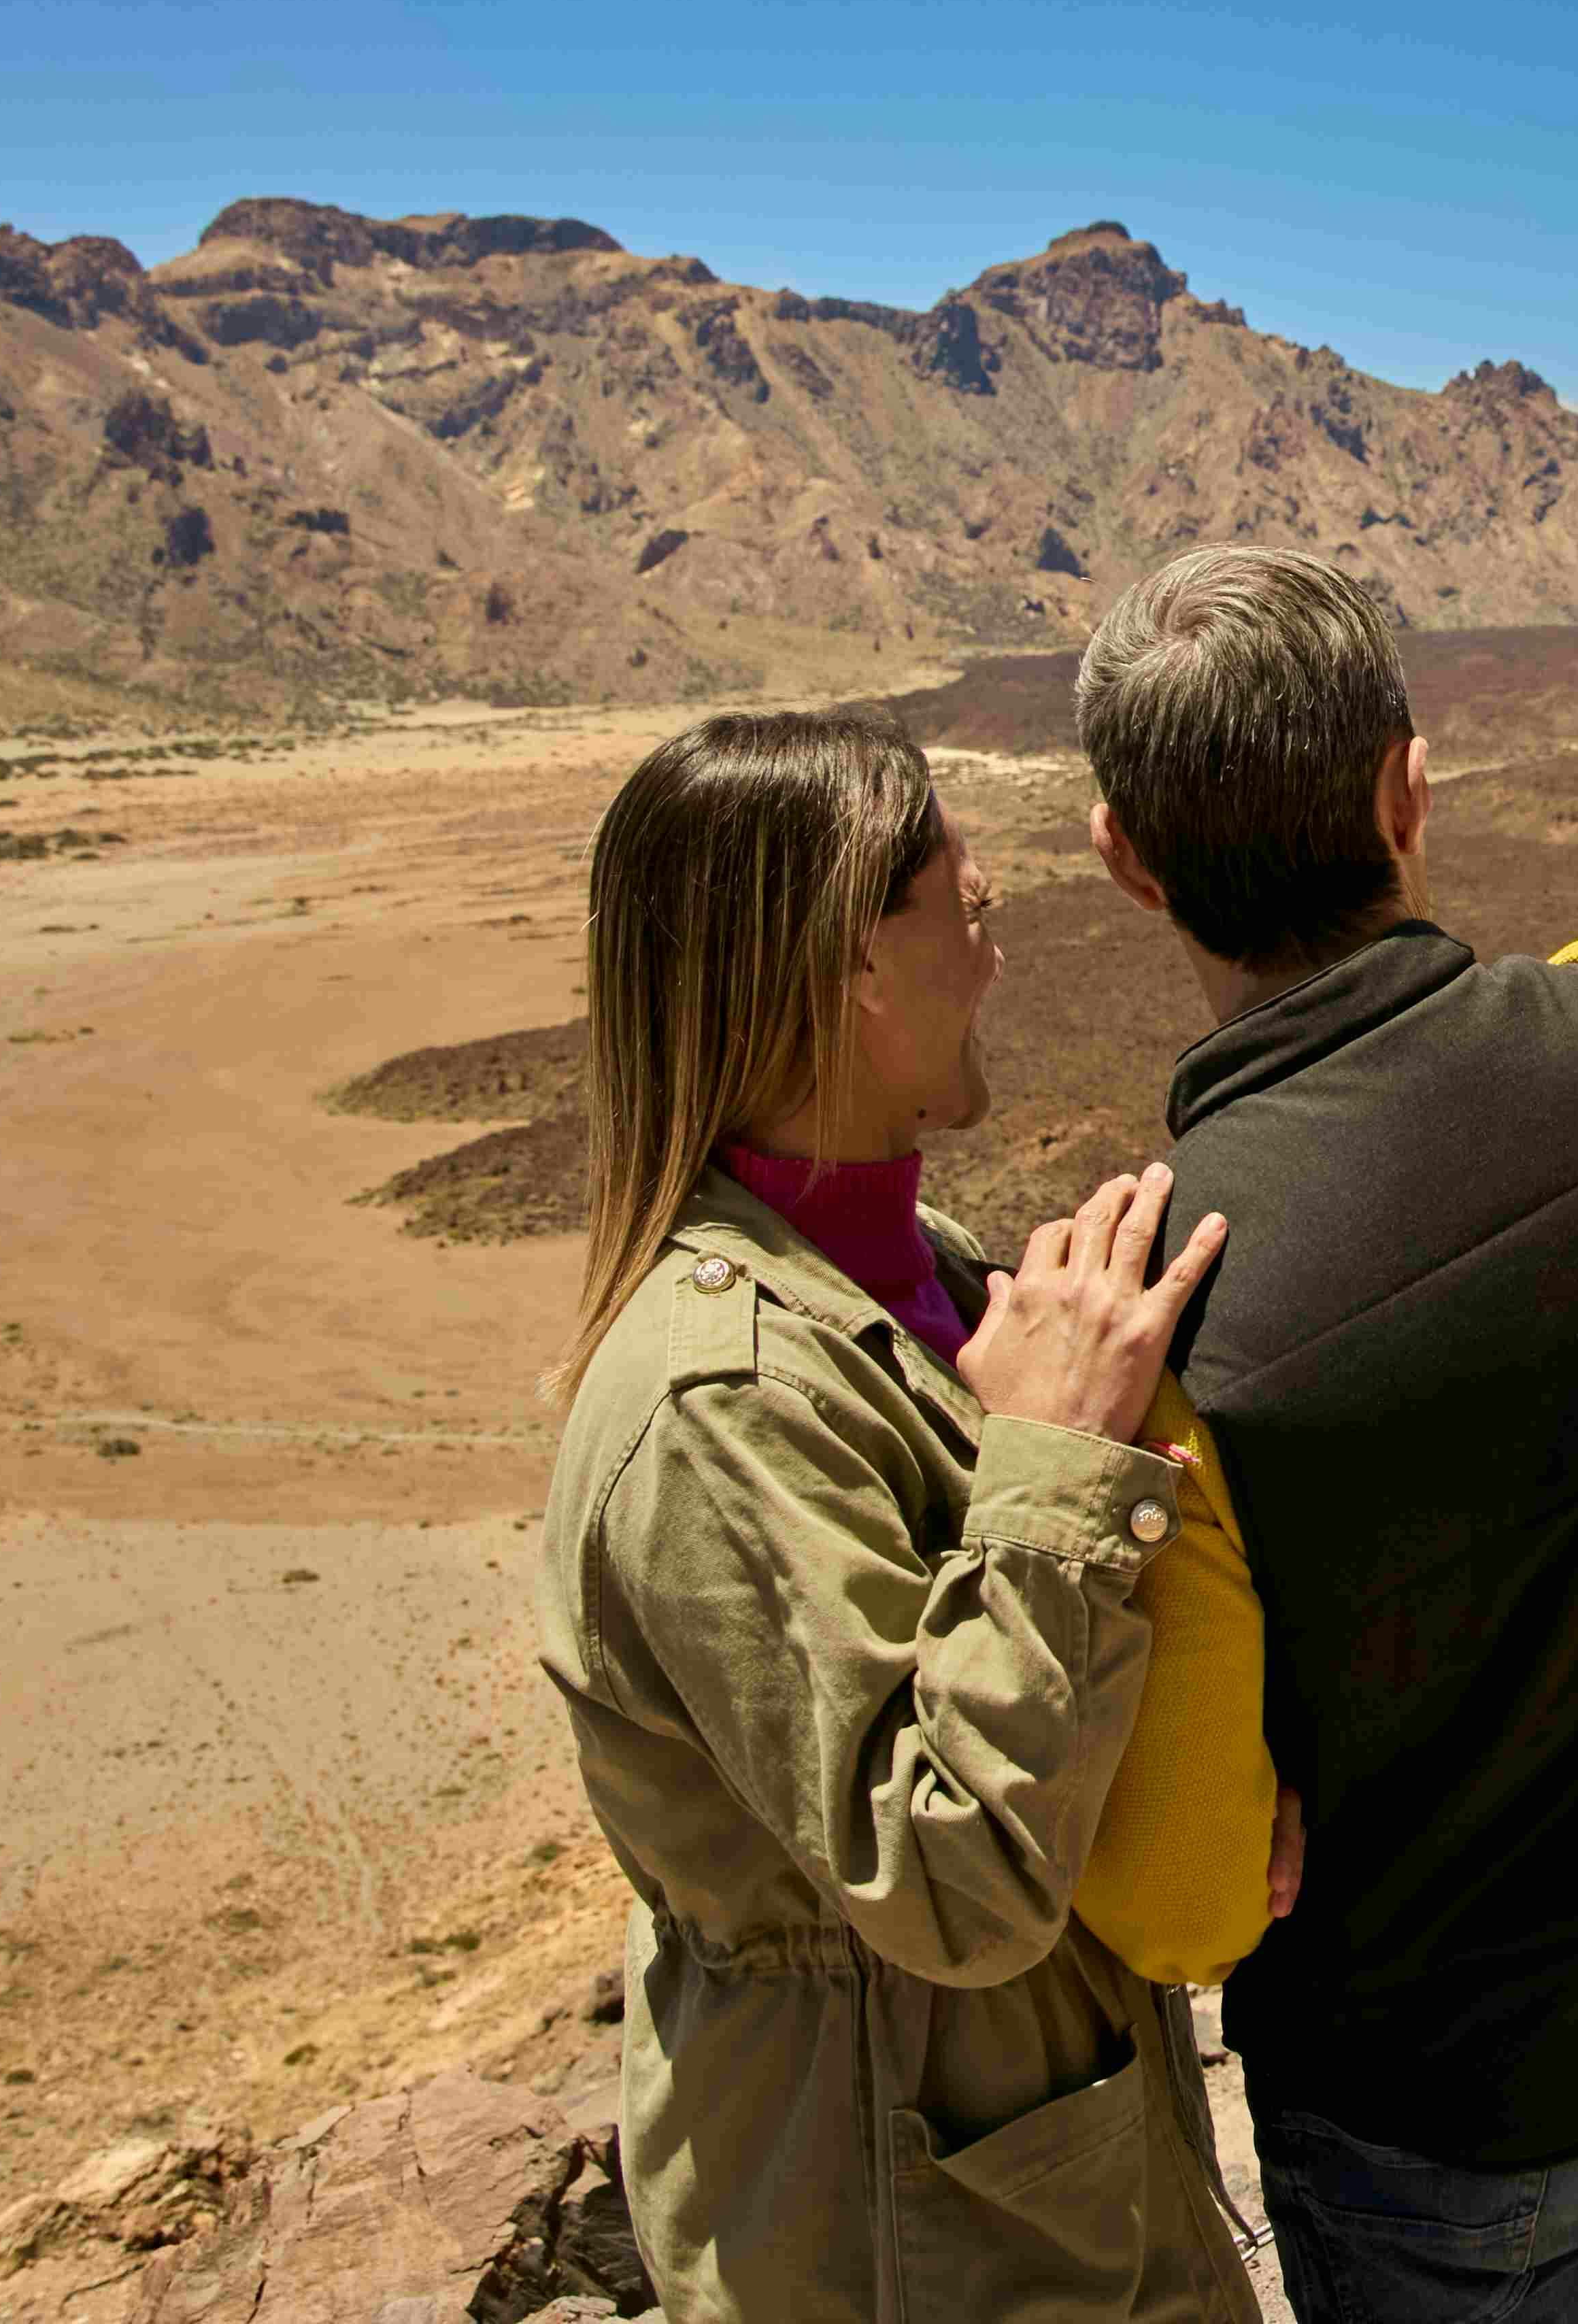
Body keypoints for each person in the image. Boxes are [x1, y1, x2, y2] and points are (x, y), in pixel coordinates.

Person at [1074, 546, 1578, 2324]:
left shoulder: (1172, 1316)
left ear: (1125, 858)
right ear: (1411, 788)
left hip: (1431, 2123)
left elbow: (1185, 1910)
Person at [533, 708, 1283, 2322]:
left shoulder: (910, 1266)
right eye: (973, 911)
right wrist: (1053, 1465)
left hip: (1031, 2189)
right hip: (903, 2240)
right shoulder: (717, 1406)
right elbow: (944, 1875)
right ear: (857, 966)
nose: (995, 957)